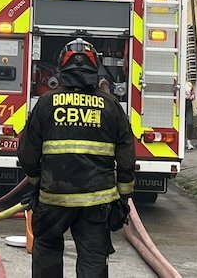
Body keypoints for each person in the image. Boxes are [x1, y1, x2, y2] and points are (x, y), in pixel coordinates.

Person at [18, 38, 136, 278]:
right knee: (93, 258)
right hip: (96, 202)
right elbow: (126, 154)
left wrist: (37, 181)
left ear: (62, 67)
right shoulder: (111, 105)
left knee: (48, 250)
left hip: (53, 199)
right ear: (95, 68)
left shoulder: (46, 103)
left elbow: (28, 154)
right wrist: (123, 195)